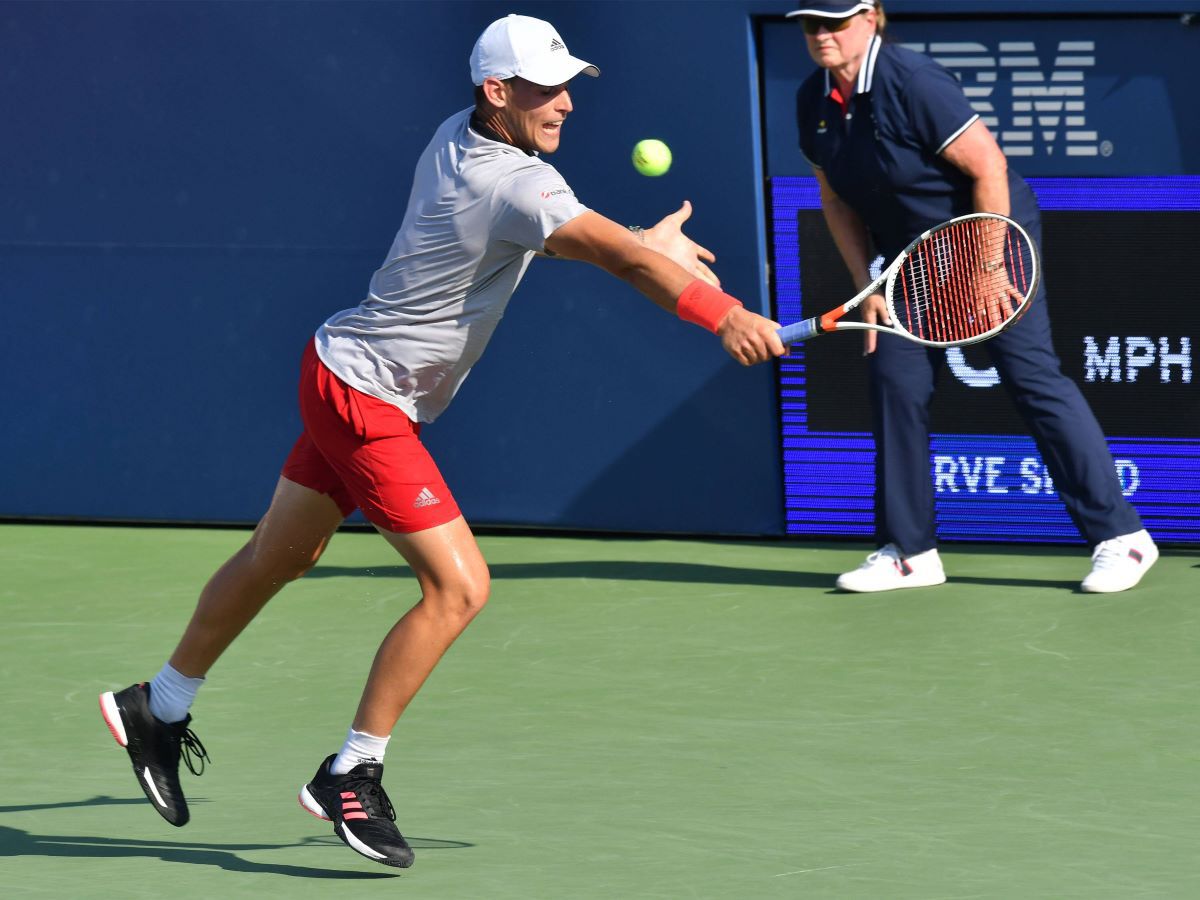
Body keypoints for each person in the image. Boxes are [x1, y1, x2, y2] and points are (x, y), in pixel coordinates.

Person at [98, 13, 785, 869]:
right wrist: (723, 313)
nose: (566, 102)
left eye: (569, 84)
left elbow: (574, 239)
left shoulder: (460, 139)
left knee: (280, 555)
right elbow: (606, 254)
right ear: (497, 93)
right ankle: (351, 774)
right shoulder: (520, 185)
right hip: (368, 402)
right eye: (546, 88)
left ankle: (156, 707)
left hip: (336, 369)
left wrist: (647, 243)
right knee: (459, 588)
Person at [787, 0, 1158, 593]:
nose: (821, 34)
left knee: (1030, 376)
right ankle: (910, 552)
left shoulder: (914, 82)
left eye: (834, 21)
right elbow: (835, 198)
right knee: (894, 377)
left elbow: (988, 165)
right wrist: (865, 286)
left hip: (987, 234)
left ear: (871, 17)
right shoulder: (814, 99)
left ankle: (1123, 539)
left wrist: (985, 267)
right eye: (810, 23)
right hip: (909, 257)